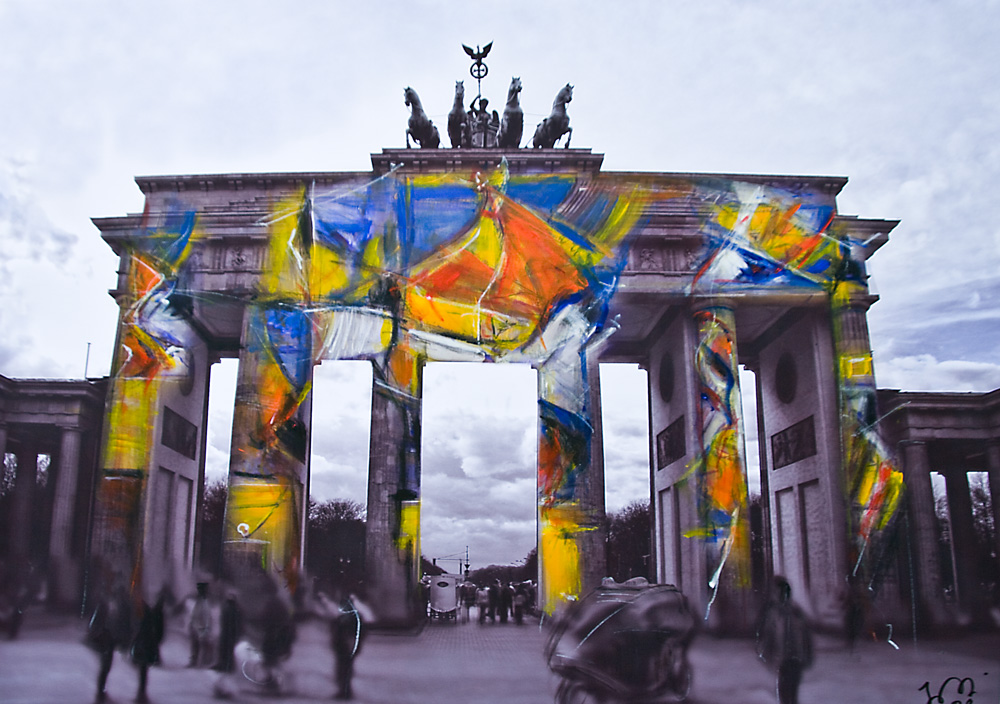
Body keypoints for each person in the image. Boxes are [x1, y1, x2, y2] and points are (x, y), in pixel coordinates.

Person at [755, 577, 813, 704]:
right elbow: (766, 638)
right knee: (786, 695)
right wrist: (767, 657)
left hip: (795, 660)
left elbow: (806, 637)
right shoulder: (773, 614)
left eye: (782, 592)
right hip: (783, 661)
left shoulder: (796, 613)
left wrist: (808, 656)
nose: (779, 595)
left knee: (790, 694)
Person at [85, 584, 132, 704]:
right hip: (104, 639)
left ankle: (101, 689)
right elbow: (95, 621)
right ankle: (100, 691)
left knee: (107, 665)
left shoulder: (123, 606)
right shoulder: (104, 605)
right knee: (105, 665)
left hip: (112, 639)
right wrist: (94, 634)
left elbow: (125, 624)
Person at [318, 589, 365, 700]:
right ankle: (344, 690)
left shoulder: (349, 616)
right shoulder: (351, 615)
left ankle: (345, 691)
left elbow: (347, 630)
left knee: (344, 669)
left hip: (345, 646)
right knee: (344, 668)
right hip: (344, 646)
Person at [130, 596, 165, 703]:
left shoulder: (146, 613)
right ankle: (141, 694)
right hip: (145, 644)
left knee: (143, 670)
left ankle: (141, 694)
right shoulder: (151, 612)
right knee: (143, 670)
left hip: (144, 644)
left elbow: (140, 629)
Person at [187, 582, 212, 668]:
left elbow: (206, 617)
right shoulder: (199, 601)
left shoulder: (204, 602)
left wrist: (206, 628)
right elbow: (195, 614)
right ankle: (194, 661)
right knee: (194, 645)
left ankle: (200, 663)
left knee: (200, 645)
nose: (198, 592)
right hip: (195, 626)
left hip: (200, 627)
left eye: (200, 590)